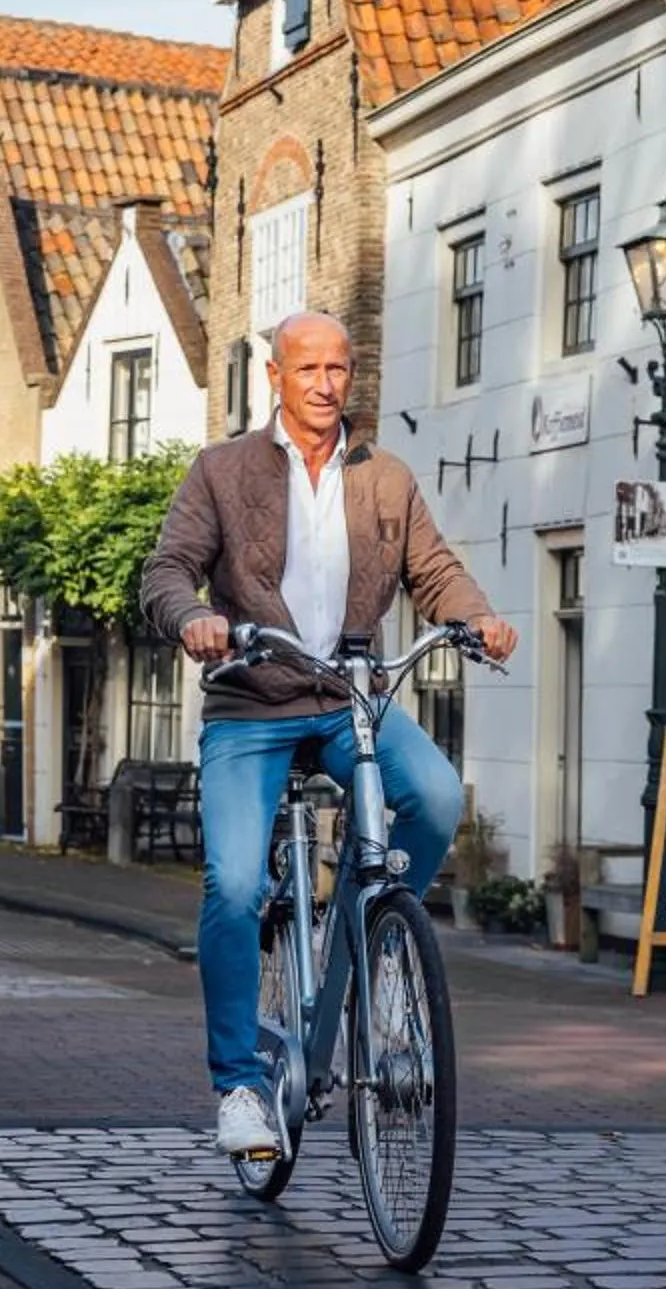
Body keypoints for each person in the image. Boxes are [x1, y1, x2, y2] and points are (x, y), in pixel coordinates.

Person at [140, 310, 517, 1157]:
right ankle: (239, 1086)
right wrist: (195, 617)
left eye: (338, 369)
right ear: (274, 376)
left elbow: (436, 571)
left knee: (435, 794)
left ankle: (373, 931)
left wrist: (477, 617)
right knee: (235, 885)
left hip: (353, 699)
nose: (324, 384)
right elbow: (166, 570)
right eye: (307, 369)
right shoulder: (222, 470)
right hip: (251, 703)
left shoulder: (384, 476)